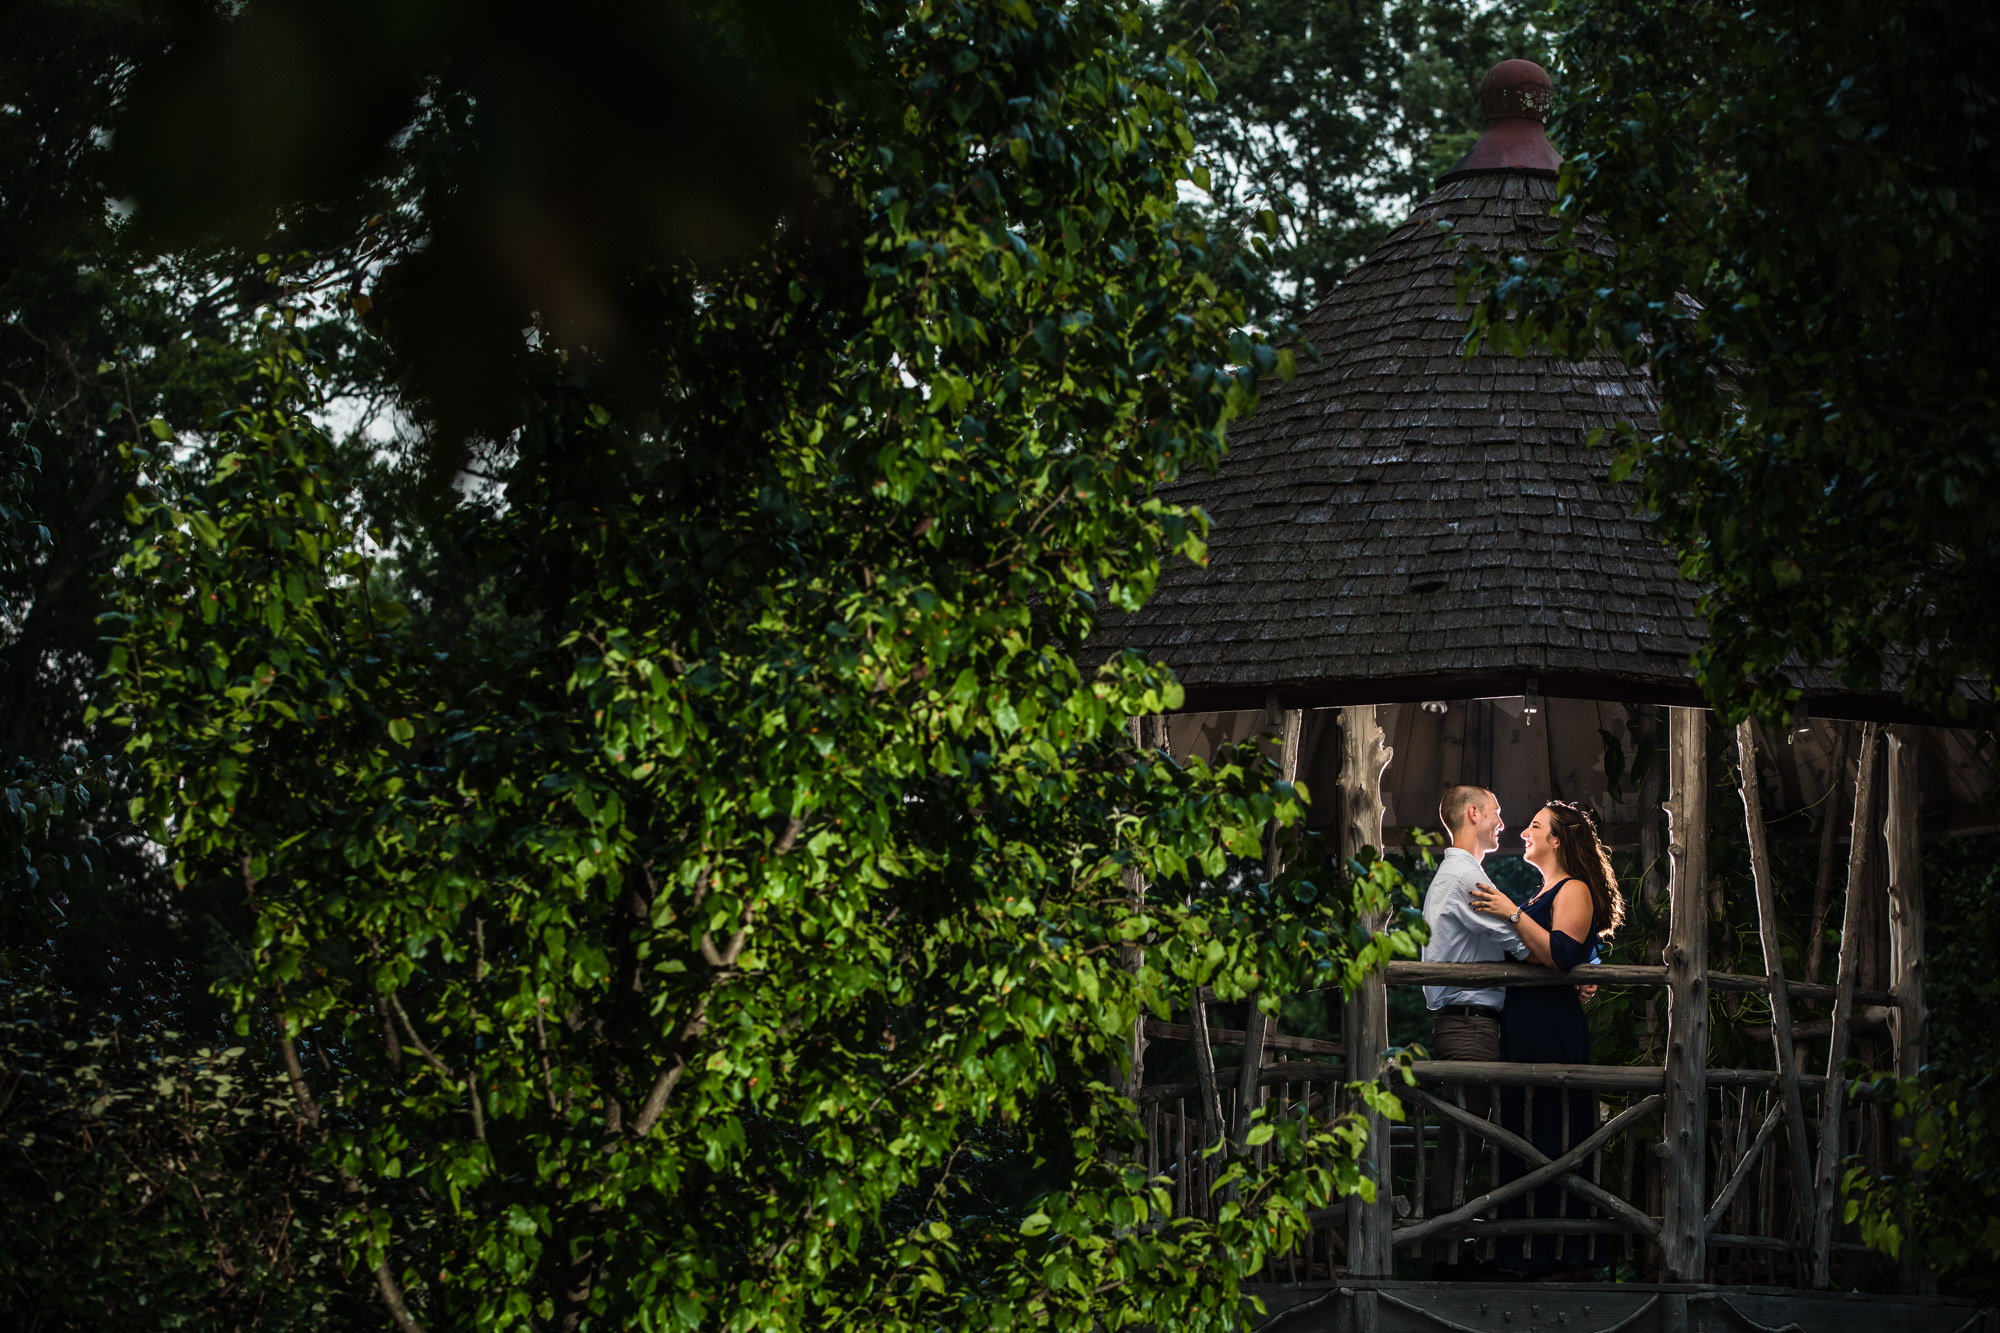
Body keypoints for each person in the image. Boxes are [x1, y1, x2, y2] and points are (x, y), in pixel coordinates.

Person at [1469, 799, 1625, 1276]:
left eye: (1535, 826)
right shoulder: (1545, 892)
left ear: (1557, 840)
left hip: (1551, 1031)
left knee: (1554, 1132)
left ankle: (1562, 1256)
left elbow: (1560, 952)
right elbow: (1564, 954)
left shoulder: (1573, 887)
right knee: (1522, 1133)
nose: (1524, 832)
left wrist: (1511, 913)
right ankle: (1518, 1252)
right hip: (1525, 1027)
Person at [1420, 785, 1529, 1259]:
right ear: (1473, 813)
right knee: (1464, 1134)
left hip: (1467, 1024)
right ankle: (1448, 1247)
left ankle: (1451, 1241)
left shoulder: (1461, 873)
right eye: (1497, 812)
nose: (1502, 822)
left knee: (1466, 1131)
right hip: (1469, 1026)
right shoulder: (1466, 878)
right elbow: (1521, 941)